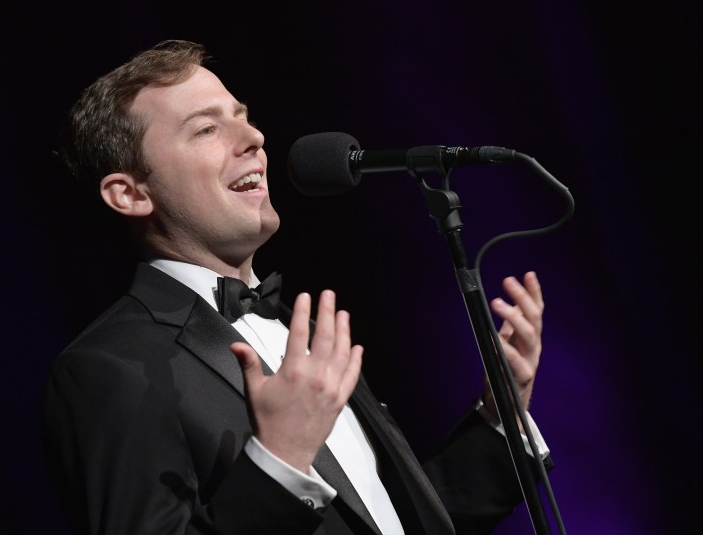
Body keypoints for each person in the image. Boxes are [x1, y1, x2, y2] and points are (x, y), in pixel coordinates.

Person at [42, 39, 552, 535]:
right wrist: (280, 460)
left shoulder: (293, 324)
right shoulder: (108, 368)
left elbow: (387, 519)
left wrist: (500, 414)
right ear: (130, 194)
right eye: (206, 129)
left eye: (244, 116)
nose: (254, 138)